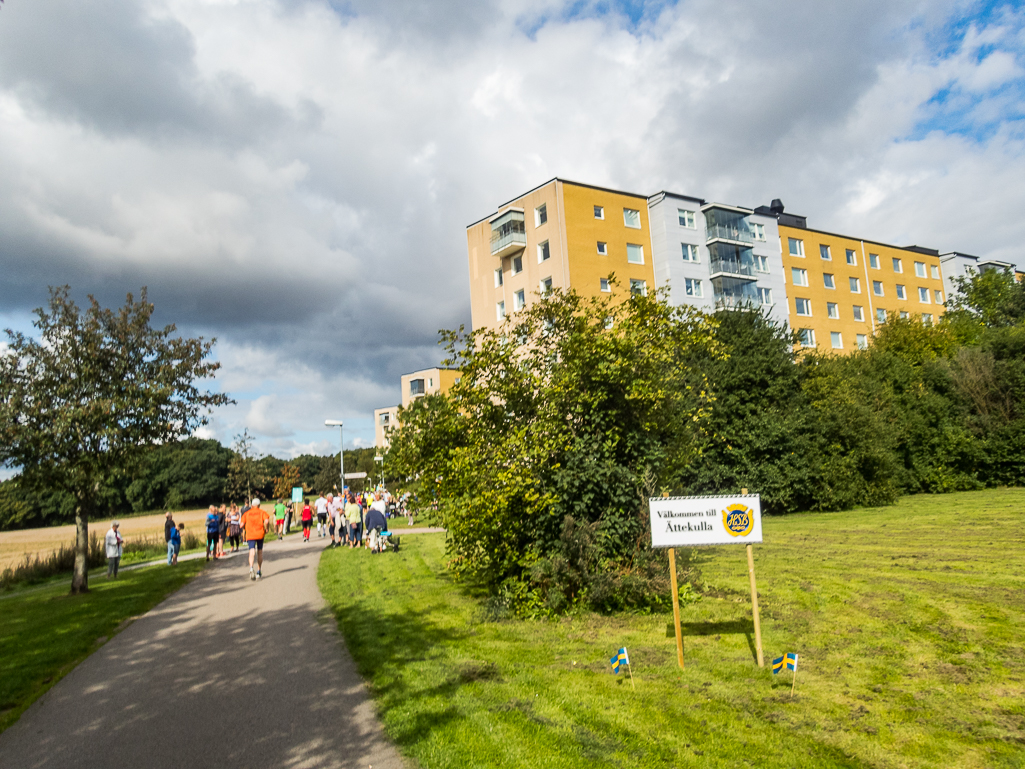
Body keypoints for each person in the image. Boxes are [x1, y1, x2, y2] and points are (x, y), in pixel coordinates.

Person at [241, 498, 272, 580]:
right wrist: (267, 529)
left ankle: (251, 567)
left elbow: (241, 525)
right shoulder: (262, 512)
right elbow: (267, 521)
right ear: (259, 505)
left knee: (251, 551)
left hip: (250, 534)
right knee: (260, 552)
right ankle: (259, 570)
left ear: (251, 505)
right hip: (260, 534)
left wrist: (246, 528)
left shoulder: (247, 513)